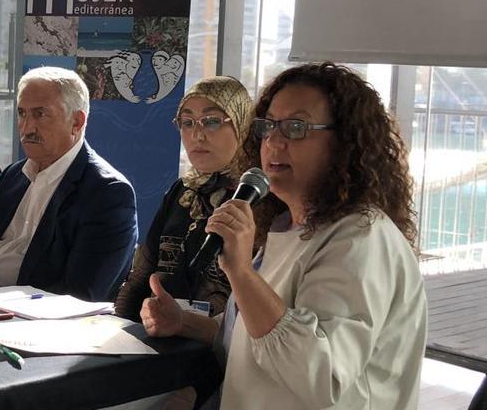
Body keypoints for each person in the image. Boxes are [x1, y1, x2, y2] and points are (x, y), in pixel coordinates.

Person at [141, 62, 428, 409]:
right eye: (268, 126)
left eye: (296, 127)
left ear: (345, 143)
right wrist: (183, 322)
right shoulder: (285, 227)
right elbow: (252, 338)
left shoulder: (360, 239)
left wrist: (242, 274)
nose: (274, 141)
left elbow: (323, 377)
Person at [0, 66, 138, 302]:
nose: (27, 128)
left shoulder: (108, 193)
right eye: (22, 113)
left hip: (32, 325)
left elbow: (81, 295)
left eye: (40, 114)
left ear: (76, 121)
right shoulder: (14, 176)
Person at [114, 76, 252, 321]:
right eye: (187, 122)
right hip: (160, 338)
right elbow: (141, 275)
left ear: (243, 124)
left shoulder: (255, 196)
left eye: (211, 122)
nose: (197, 135)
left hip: (224, 349)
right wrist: (117, 331)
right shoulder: (183, 191)